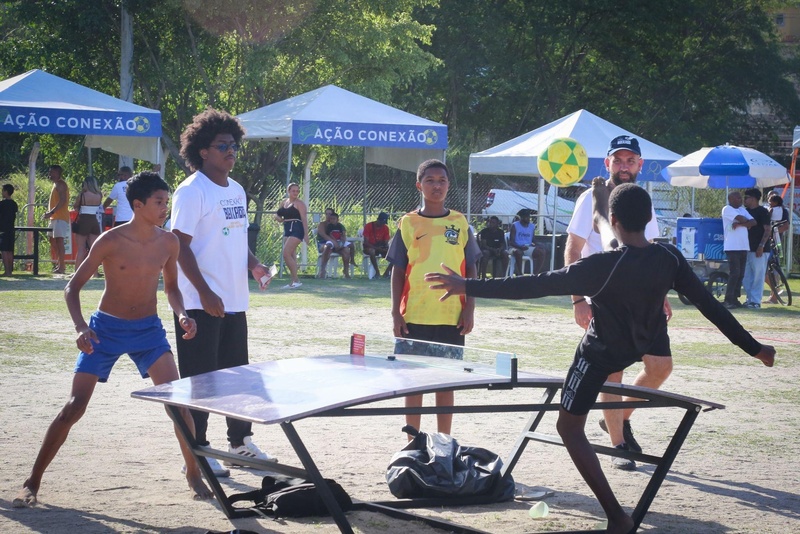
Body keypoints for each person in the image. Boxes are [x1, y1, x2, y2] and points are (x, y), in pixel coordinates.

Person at [425, 183, 776, 534]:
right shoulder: (668, 257)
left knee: (568, 427)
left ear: (614, 218)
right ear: (649, 218)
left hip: (601, 352)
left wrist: (468, 286)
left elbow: (535, 283)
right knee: (646, 333)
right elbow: (710, 306)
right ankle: (616, 428)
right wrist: (755, 348)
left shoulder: (600, 266)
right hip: (646, 337)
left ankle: (617, 516)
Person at [12, 172, 215, 509]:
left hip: (149, 331)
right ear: (138, 205)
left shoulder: (169, 242)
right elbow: (71, 287)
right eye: (159, 202)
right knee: (74, 407)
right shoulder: (110, 240)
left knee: (179, 405)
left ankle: (193, 472)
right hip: (104, 330)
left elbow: (172, 289)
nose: (165, 208)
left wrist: (181, 314)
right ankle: (31, 482)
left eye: (166, 202)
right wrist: (80, 328)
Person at [171, 108, 277, 477]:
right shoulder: (191, 191)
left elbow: (234, 236)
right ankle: (199, 450)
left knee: (237, 377)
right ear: (203, 151)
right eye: (222, 146)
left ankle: (239, 443)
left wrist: (254, 265)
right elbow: (179, 247)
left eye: (233, 145)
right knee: (201, 382)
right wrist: (205, 293)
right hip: (200, 305)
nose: (230, 151)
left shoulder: (236, 189)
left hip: (234, 301)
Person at [564, 135, 670, 470]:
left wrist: (661, 294)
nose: (624, 166)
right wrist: (579, 299)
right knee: (613, 372)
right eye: (618, 160)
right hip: (604, 297)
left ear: (639, 165)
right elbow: (572, 250)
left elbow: (649, 253)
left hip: (641, 298)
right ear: (607, 164)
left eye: (630, 161)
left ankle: (618, 418)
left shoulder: (641, 200)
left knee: (660, 367)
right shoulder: (590, 198)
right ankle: (619, 444)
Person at [387, 159, 480, 436]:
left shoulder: (460, 222)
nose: (436, 185)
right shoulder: (408, 222)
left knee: (446, 382)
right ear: (419, 185)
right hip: (414, 314)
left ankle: (444, 441)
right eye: (430, 180)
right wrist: (395, 312)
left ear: (449, 185)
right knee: (414, 381)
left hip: (451, 315)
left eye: (442, 180)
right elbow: (398, 270)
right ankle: (411, 441)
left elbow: (471, 267)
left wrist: (470, 309)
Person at [721, 191, 754, 309]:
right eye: (738, 198)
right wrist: (745, 222)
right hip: (732, 246)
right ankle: (728, 300)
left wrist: (740, 224)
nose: (741, 200)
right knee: (734, 273)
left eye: (741, 198)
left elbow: (753, 222)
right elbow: (741, 219)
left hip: (743, 246)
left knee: (740, 274)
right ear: (731, 199)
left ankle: (735, 299)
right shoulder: (727, 209)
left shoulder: (742, 209)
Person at [742, 188, 771, 309]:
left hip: (759, 249)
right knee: (746, 276)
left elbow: (767, 229)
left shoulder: (762, 212)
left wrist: (761, 246)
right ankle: (749, 299)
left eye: (746, 197)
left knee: (758, 275)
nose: (744, 200)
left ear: (753, 198)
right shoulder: (745, 211)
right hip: (746, 248)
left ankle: (755, 301)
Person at [275, 182, 308, 289]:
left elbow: (304, 219)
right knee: (291, 256)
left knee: (286, 253)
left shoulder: (300, 204)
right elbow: (279, 216)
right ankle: (293, 281)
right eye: (293, 191)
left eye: (297, 191)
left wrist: (306, 235)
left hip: (296, 228)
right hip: (287, 228)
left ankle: (296, 280)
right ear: (288, 191)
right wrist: (277, 218)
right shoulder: (284, 202)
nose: (296, 193)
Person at [72, 176, 103, 272]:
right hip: (94, 221)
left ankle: (77, 271)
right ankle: (95, 273)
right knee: (94, 249)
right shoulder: (99, 195)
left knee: (81, 248)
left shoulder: (82, 195)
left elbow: (75, 206)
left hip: (83, 220)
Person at [44, 165, 70, 274]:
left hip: (60, 217)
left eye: (52, 172)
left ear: (58, 173)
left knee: (59, 241)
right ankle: (59, 264)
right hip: (54, 217)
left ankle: (62, 267)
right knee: (52, 240)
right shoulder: (55, 184)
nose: (50, 174)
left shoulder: (61, 184)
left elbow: (63, 200)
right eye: (49, 172)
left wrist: (51, 212)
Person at [765, 193, 789, 304]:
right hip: (766, 243)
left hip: (774, 244)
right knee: (766, 271)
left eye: (771, 200)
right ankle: (774, 292)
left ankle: (775, 294)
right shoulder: (768, 210)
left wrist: (773, 232)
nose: (769, 202)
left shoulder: (783, 212)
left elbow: (786, 226)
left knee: (772, 270)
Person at [508, 209, 545, 275]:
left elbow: (533, 239)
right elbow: (511, 242)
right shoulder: (515, 225)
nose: (528, 219)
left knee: (542, 252)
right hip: (515, 247)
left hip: (528, 247)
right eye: (526, 217)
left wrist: (538, 245)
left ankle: (534, 274)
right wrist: (520, 247)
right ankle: (520, 273)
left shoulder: (532, 226)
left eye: (528, 217)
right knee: (518, 252)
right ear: (521, 217)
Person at [318, 211, 353, 279]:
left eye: (330, 214)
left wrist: (341, 243)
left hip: (338, 243)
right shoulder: (323, 224)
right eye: (326, 214)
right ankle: (322, 270)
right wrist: (334, 242)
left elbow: (343, 235)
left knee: (346, 250)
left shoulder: (339, 225)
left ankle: (346, 271)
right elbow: (325, 235)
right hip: (326, 244)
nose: (328, 216)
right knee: (327, 248)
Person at [363, 211, 393, 278]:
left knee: (395, 254)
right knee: (372, 251)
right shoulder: (368, 226)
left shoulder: (385, 228)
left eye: (383, 223)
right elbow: (366, 242)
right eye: (381, 222)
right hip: (369, 247)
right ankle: (377, 272)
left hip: (380, 247)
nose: (382, 224)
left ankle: (387, 272)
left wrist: (385, 247)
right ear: (378, 220)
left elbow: (386, 241)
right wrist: (376, 248)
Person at [0, 183, 19, 276]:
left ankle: (7, 271)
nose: (2, 192)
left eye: (3, 190)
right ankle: (10, 270)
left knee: (4, 250)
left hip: (3, 229)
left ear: (6, 192)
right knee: (10, 250)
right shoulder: (14, 204)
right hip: (11, 229)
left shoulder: (2, 204)